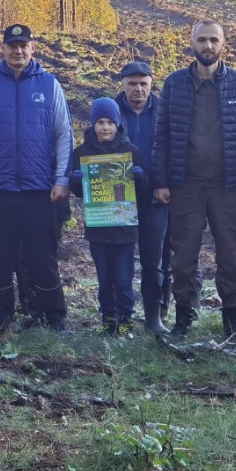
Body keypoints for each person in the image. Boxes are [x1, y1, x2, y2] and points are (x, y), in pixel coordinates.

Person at [152, 21, 236, 338]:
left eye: (214, 40)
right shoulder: (174, 85)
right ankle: (184, 317)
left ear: (224, 43)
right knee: (184, 255)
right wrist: (161, 181)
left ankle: (231, 319)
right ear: (192, 42)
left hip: (228, 187)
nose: (208, 46)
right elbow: (162, 137)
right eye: (202, 40)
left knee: (230, 254)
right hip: (186, 185)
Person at [0, 24, 72, 334]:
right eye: (12, 45)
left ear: (32, 47)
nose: (18, 50)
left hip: (40, 191)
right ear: (3, 48)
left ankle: (53, 318)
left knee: (44, 258)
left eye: (23, 45)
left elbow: (63, 134)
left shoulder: (49, 84)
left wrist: (62, 178)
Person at [70, 97, 146, 334]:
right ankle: (108, 319)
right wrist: (75, 183)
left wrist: (141, 178)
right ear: (92, 125)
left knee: (123, 279)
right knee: (104, 279)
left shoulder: (131, 152)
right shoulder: (81, 153)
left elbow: (142, 192)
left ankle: (125, 321)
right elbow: (82, 195)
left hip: (124, 229)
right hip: (98, 228)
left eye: (110, 122)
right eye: (100, 122)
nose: (105, 127)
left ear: (118, 125)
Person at [114, 61, 171, 335]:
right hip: (119, 196)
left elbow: (173, 151)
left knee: (153, 260)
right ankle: (118, 312)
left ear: (151, 84)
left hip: (155, 197)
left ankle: (154, 314)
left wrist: (163, 183)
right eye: (132, 83)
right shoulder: (111, 112)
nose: (138, 89)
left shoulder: (164, 111)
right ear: (123, 84)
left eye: (143, 84)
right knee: (119, 257)